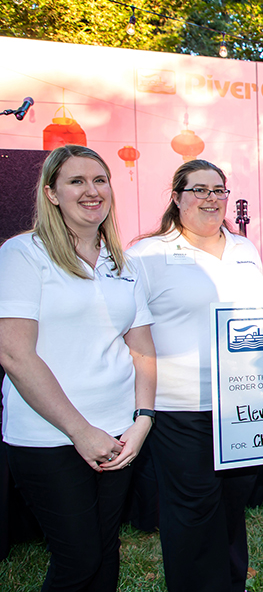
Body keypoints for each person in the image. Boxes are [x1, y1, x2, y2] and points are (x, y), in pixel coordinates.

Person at [0, 145, 156, 591]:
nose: (92, 191)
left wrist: (143, 420)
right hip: (49, 437)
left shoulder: (120, 261)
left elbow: (142, 349)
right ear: (51, 193)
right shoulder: (23, 254)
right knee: (79, 558)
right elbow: (14, 354)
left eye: (100, 180)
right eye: (77, 181)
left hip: (119, 435)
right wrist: (80, 430)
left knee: (106, 552)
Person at [127, 160, 263, 592]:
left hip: (242, 404)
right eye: (199, 190)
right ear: (176, 197)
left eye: (219, 190)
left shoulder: (245, 249)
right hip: (180, 406)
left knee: (230, 505)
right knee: (191, 513)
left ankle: (230, 584)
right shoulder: (146, 255)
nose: (211, 199)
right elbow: (131, 332)